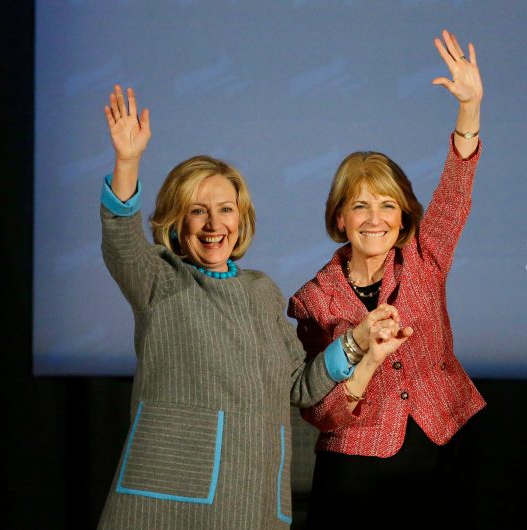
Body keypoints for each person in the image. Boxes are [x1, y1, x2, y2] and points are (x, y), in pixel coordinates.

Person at [97, 84, 412, 529]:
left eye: (226, 209)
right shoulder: (159, 277)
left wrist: (358, 341)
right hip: (168, 502)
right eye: (197, 211)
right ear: (175, 219)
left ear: (240, 219)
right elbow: (120, 242)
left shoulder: (262, 291)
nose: (213, 224)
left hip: (254, 500)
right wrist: (127, 162)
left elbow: (300, 387)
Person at [287, 30, 485, 529]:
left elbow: (456, 192)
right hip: (356, 473)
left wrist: (470, 110)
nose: (375, 219)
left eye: (387, 204)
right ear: (340, 219)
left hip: (439, 453)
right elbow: (321, 412)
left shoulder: (424, 257)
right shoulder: (314, 301)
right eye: (360, 205)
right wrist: (367, 361)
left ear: (403, 216)